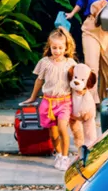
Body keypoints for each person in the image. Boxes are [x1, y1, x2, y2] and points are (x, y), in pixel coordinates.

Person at [21, 28, 78, 170]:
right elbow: (39, 81)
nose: (57, 51)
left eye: (60, 48)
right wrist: (32, 97)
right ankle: (58, 154)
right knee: (53, 135)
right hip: (48, 102)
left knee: (62, 129)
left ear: (66, 48)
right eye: (54, 48)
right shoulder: (44, 63)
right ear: (49, 47)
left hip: (64, 102)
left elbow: (77, 81)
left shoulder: (71, 63)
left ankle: (65, 157)